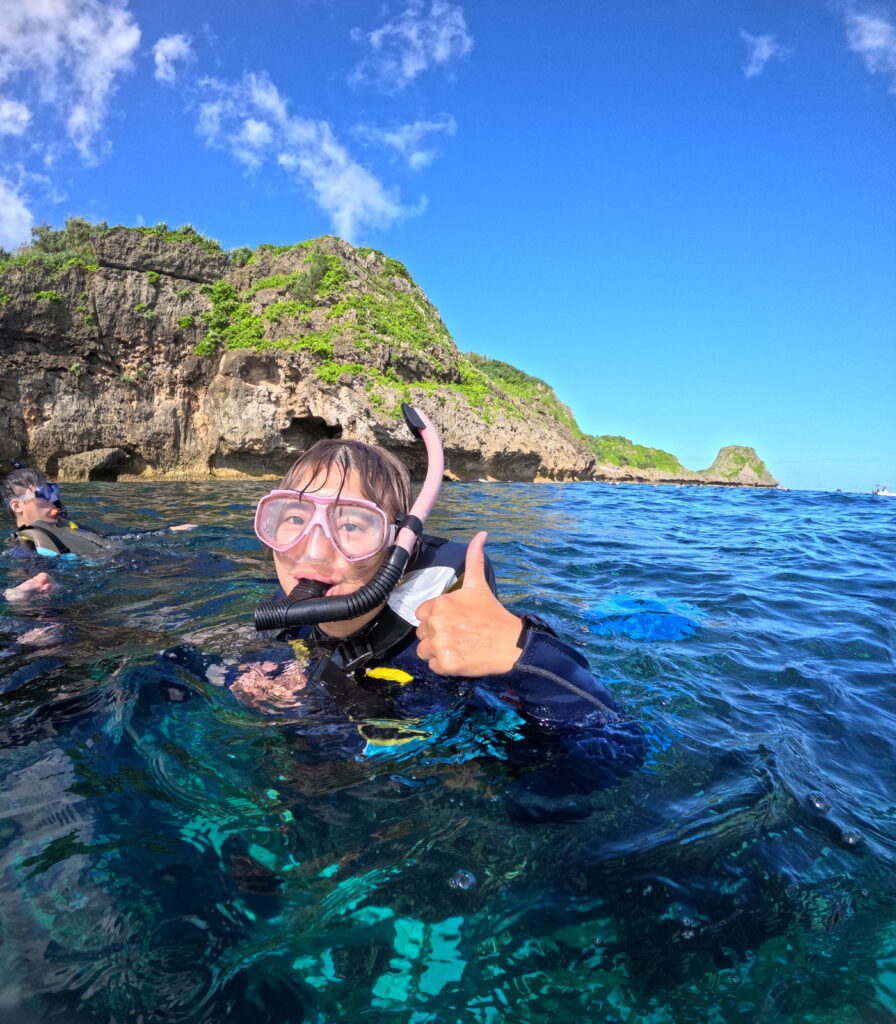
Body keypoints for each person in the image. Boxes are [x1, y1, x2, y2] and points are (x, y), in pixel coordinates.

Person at [232, 436, 647, 821]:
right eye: (293, 518)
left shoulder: (447, 644)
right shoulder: (290, 618)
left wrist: (522, 656)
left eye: (352, 525)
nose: (314, 548)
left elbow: (613, 752)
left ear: (397, 545)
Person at [1, 466, 196, 557]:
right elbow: (31, 571)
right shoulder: (25, 545)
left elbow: (116, 537)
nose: (53, 499)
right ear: (17, 506)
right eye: (43, 493)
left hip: (134, 561)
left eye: (53, 491)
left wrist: (170, 529)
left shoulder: (68, 527)